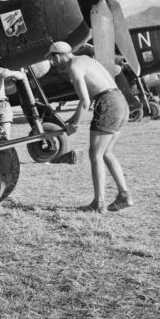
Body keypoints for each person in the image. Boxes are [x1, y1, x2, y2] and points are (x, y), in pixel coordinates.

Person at [45, 41, 133, 213]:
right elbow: (90, 94)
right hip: (120, 100)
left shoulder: (73, 66)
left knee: (95, 154)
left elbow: (85, 101)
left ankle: (98, 203)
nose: (53, 63)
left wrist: (75, 125)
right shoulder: (84, 58)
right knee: (106, 152)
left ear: (58, 56)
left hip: (107, 102)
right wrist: (72, 119)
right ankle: (124, 196)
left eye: (52, 59)